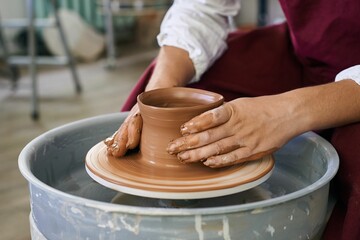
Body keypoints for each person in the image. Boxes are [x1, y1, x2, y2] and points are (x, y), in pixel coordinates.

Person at [104, 1, 360, 239]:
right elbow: (203, 7)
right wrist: (159, 95)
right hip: (305, 53)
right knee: (177, 87)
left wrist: (288, 112)